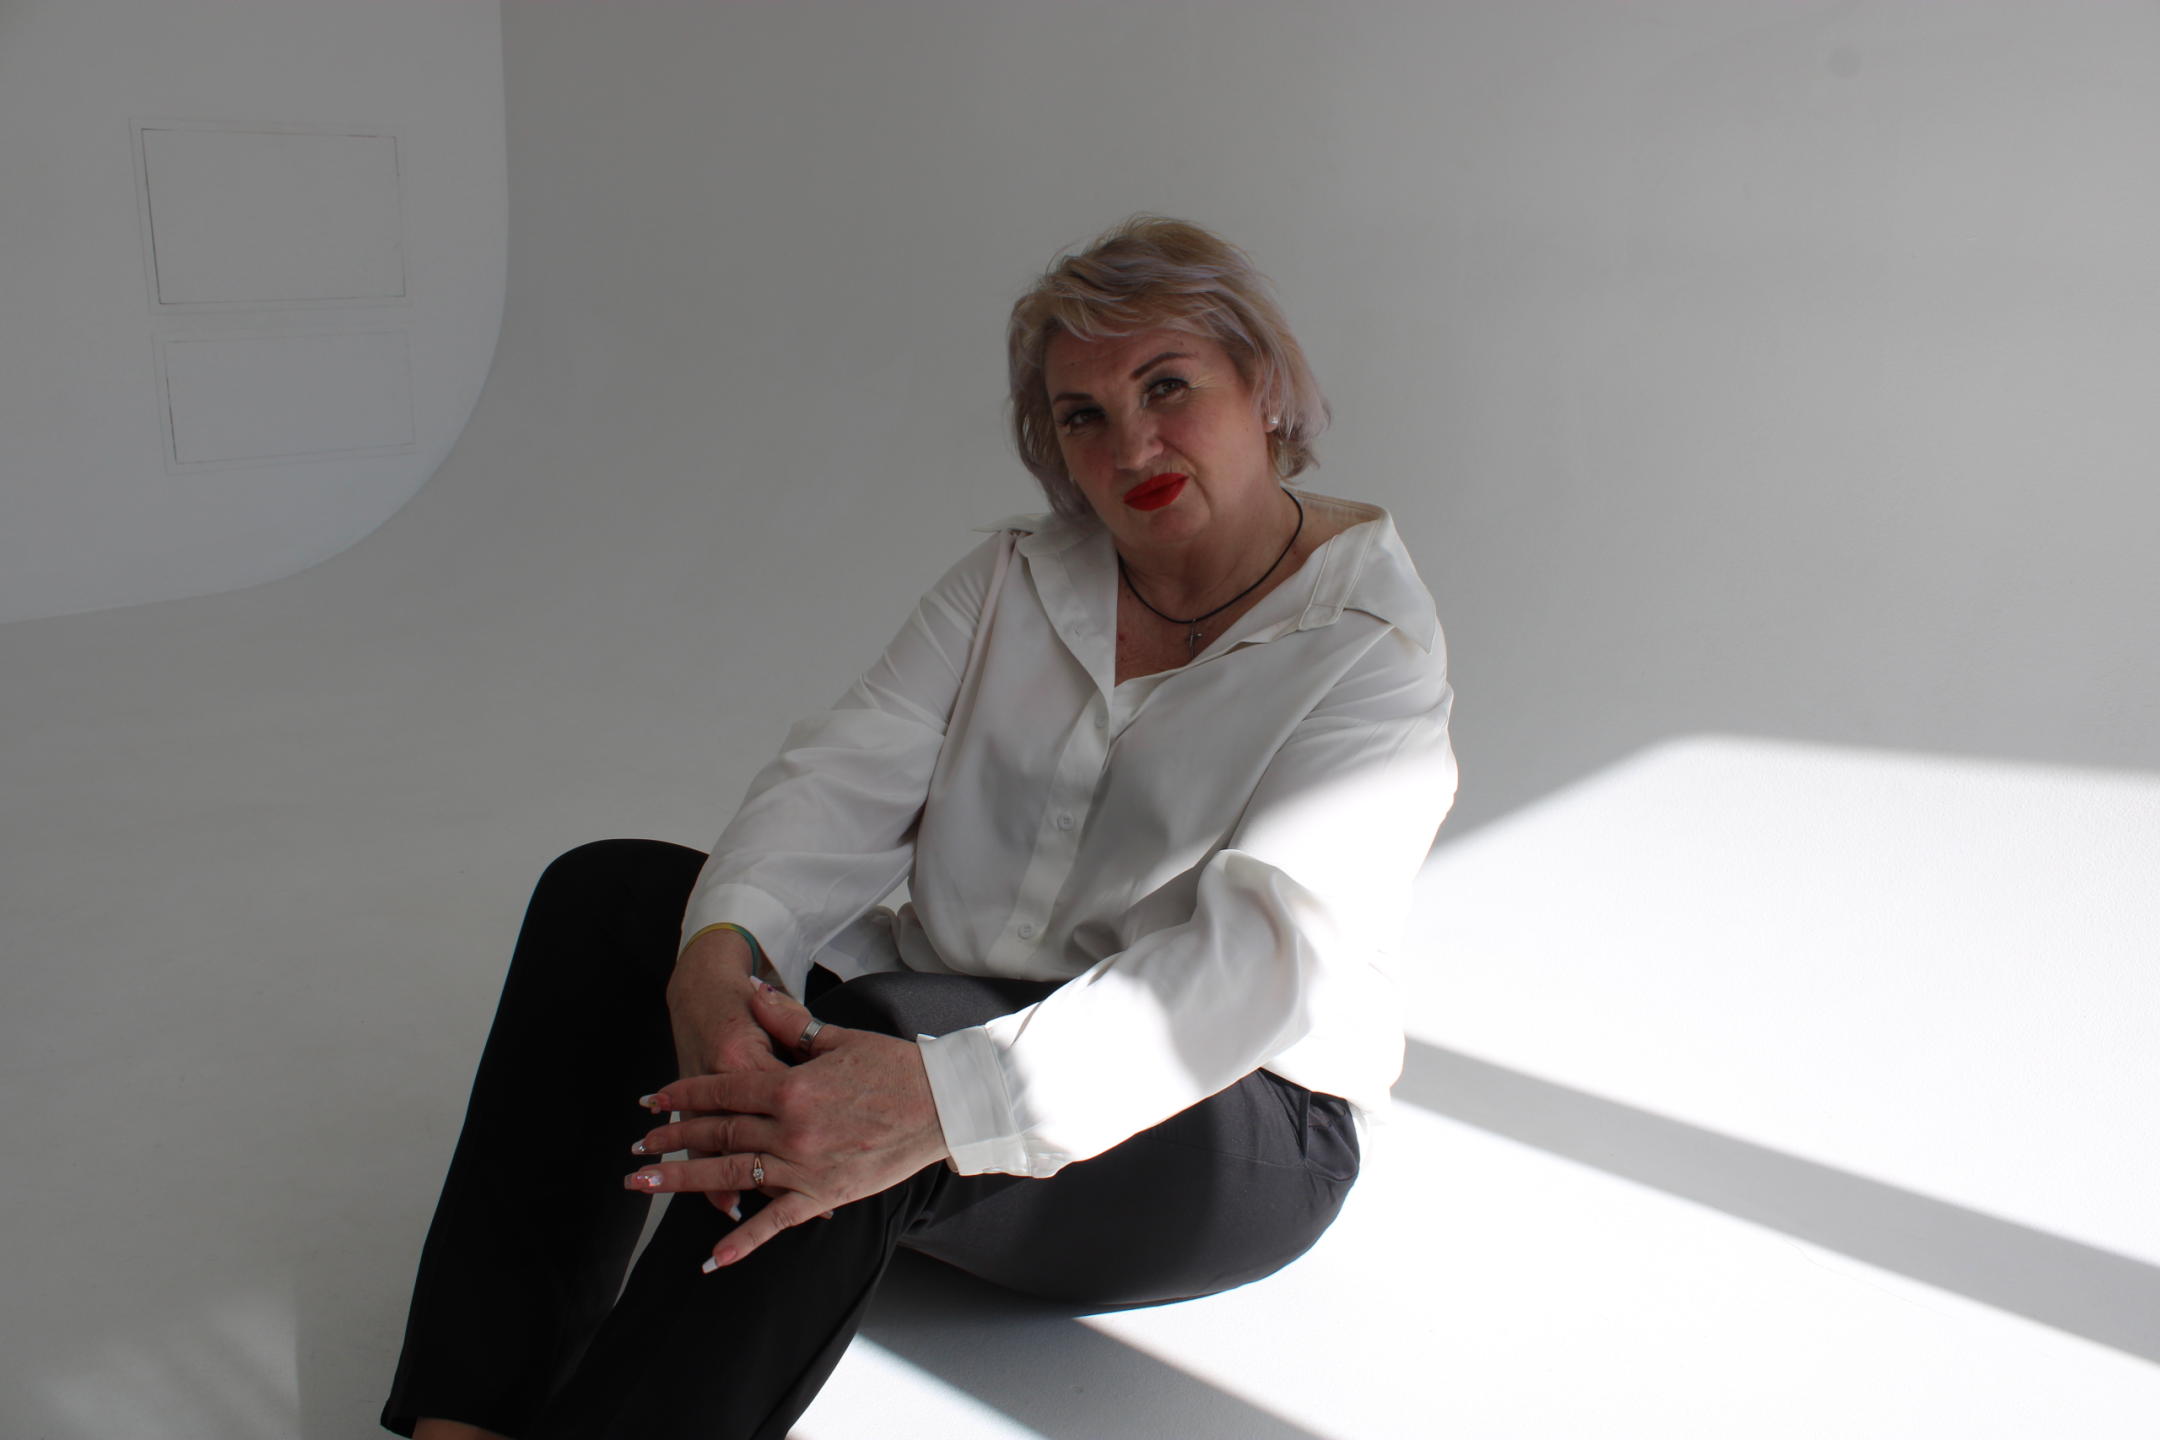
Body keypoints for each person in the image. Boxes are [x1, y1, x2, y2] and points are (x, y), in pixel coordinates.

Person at [381, 215, 1458, 1440]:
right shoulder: (1018, 577)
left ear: (1262, 386)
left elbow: (1256, 967)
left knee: (876, 1048)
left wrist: (939, 1095)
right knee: (616, 903)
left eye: (1168, 386)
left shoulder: (1373, 651)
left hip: (1224, 1117)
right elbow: (842, 777)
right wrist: (720, 959)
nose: (1130, 445)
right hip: (944, 1021)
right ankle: (464, 1421)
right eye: (1083, 414)